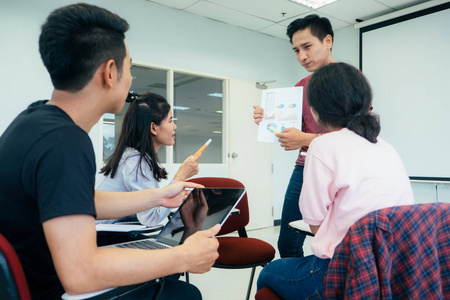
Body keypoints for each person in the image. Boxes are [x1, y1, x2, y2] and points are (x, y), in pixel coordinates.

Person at [0, 3, 220, 299]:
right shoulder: (66, 141)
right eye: (129, 68)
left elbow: (78, 200)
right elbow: (81, 274)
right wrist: (184, 256)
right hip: (55, 290)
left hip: (32, 280)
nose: (130, 80)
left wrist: (158, 195)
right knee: (185, 294)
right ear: (110, 72)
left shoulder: (34, 120)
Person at [257, 62, 415, 299]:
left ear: (316, 110)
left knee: (269, 272)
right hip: (394, 269)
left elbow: (313, 220)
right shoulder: (385, 145)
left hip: (345, 270)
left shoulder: (322, 146)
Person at [253, 14, 335, 258]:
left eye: (307, 47)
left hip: (340, 170)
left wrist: (305, 140)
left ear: (327, 41)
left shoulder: (350, 80)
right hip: (305, 167)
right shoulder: (301, 85)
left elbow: (356, 136)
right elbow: (293, 129)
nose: (302, 57)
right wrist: (268, 120)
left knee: (336, 244)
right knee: (288, 244)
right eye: (296, 50)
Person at [96, 92, 200, 226]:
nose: (175, 126)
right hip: (103, 236)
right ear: (153, 128)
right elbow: (151, 218)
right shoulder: (135, 161)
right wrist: (181, 176)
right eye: (170, 120)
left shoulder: (133, 156)